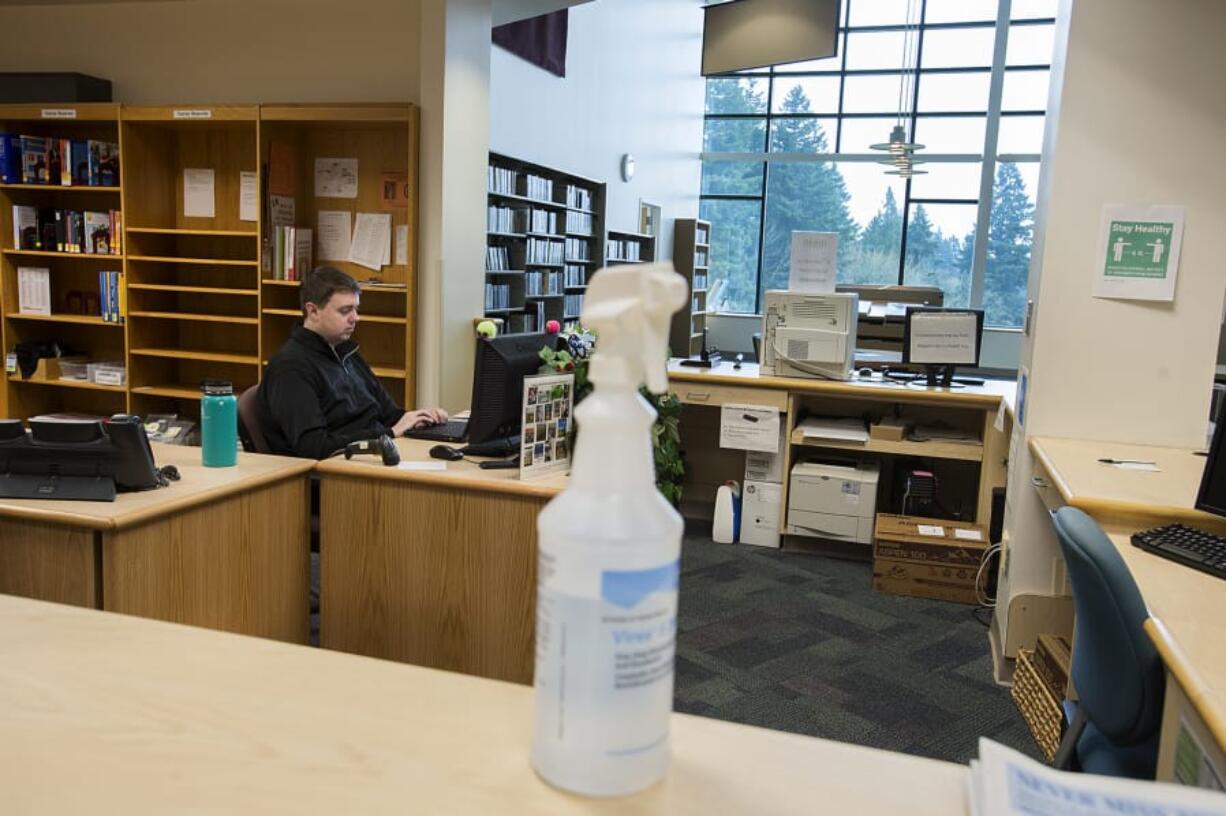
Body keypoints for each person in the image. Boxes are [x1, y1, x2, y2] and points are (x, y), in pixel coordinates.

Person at [258, 266, 447, 459]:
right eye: (345, 310)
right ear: (313, 311)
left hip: (369, 455)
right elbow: (314, 447)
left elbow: (389, 414)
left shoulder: (345, 351)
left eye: (356, 309)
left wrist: (418, 419)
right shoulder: (291, 368)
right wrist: (387, 433)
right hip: (334, 471)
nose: (355, 318)